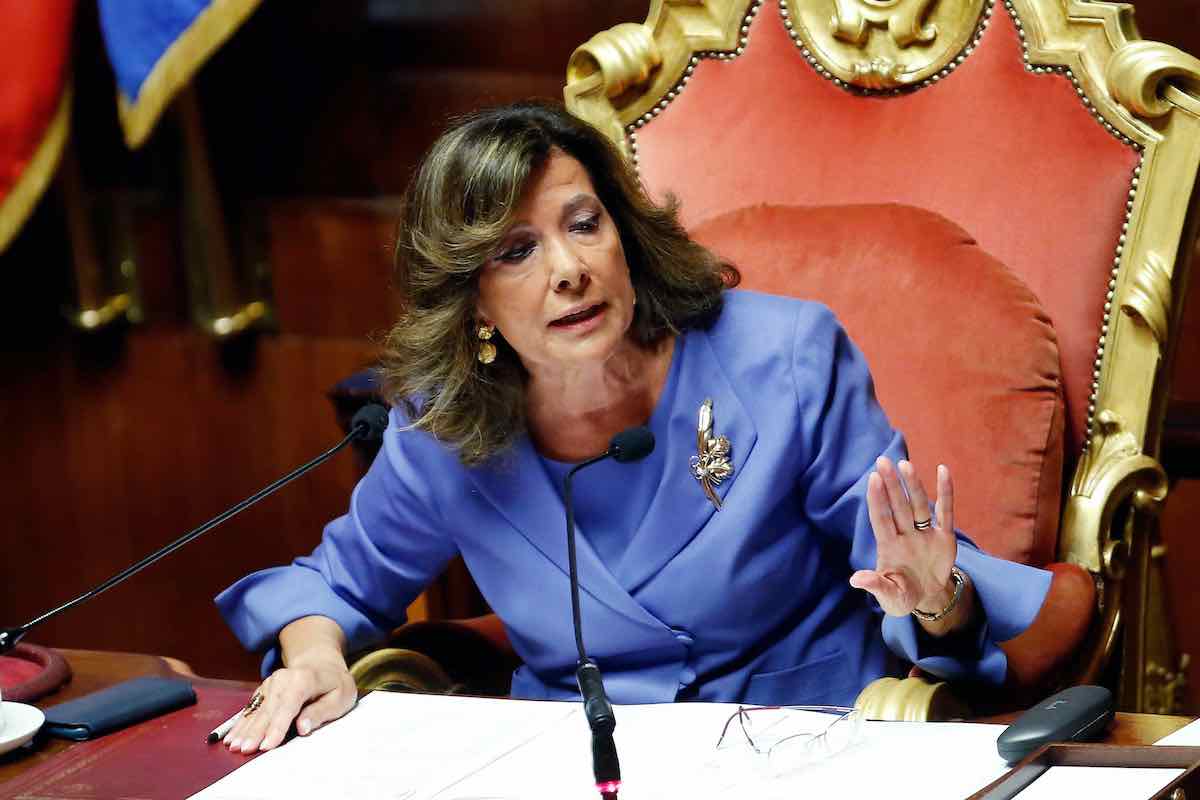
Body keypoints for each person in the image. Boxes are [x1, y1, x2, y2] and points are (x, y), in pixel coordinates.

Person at [214, 101, 1052, 754]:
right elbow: (336, 586)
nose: (569, 269)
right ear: (471, 300)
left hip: (805, 747)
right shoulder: (445, 426)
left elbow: (913, 588)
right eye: (516, 251)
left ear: (624, 235)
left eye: (584, 224)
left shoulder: (783, 358)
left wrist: (940, 600)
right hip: (579, 767)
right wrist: (314, 656)